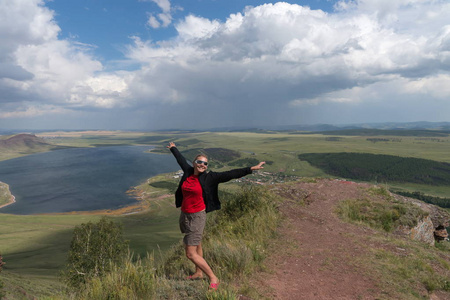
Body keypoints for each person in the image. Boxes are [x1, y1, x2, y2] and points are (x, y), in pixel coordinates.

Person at [167, 142, 265, 290]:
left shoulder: (210, 178)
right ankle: (198, 273)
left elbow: (230, 174)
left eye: (205, 163)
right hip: (185, 214)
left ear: (207, 166)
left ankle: (213, 277)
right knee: (197, 243)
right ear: (194, 163)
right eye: (199, 162)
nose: (202, 165)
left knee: (190, 253)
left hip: (197, 216)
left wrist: (250, 169)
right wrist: (173, 148)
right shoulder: (187, 171)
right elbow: (180, 158)